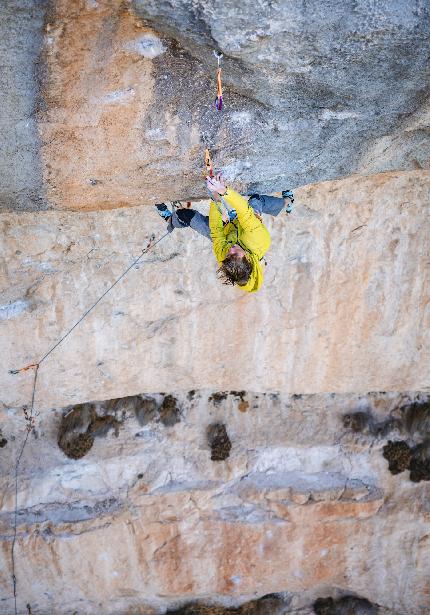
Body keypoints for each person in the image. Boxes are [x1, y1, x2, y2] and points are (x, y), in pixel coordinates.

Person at [155, 174, 294, 293]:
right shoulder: (258, 240)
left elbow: (216, 230)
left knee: (186, 216)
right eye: (235, 254)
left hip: (226, 233)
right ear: (248, 257)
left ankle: (170, 219)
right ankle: (287, 201)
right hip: (246, 227)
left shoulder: (224, 256)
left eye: (229, 254)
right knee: (256, 200)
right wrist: (223, 190)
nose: (230, 249)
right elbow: (244, 213)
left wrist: (216, 197)